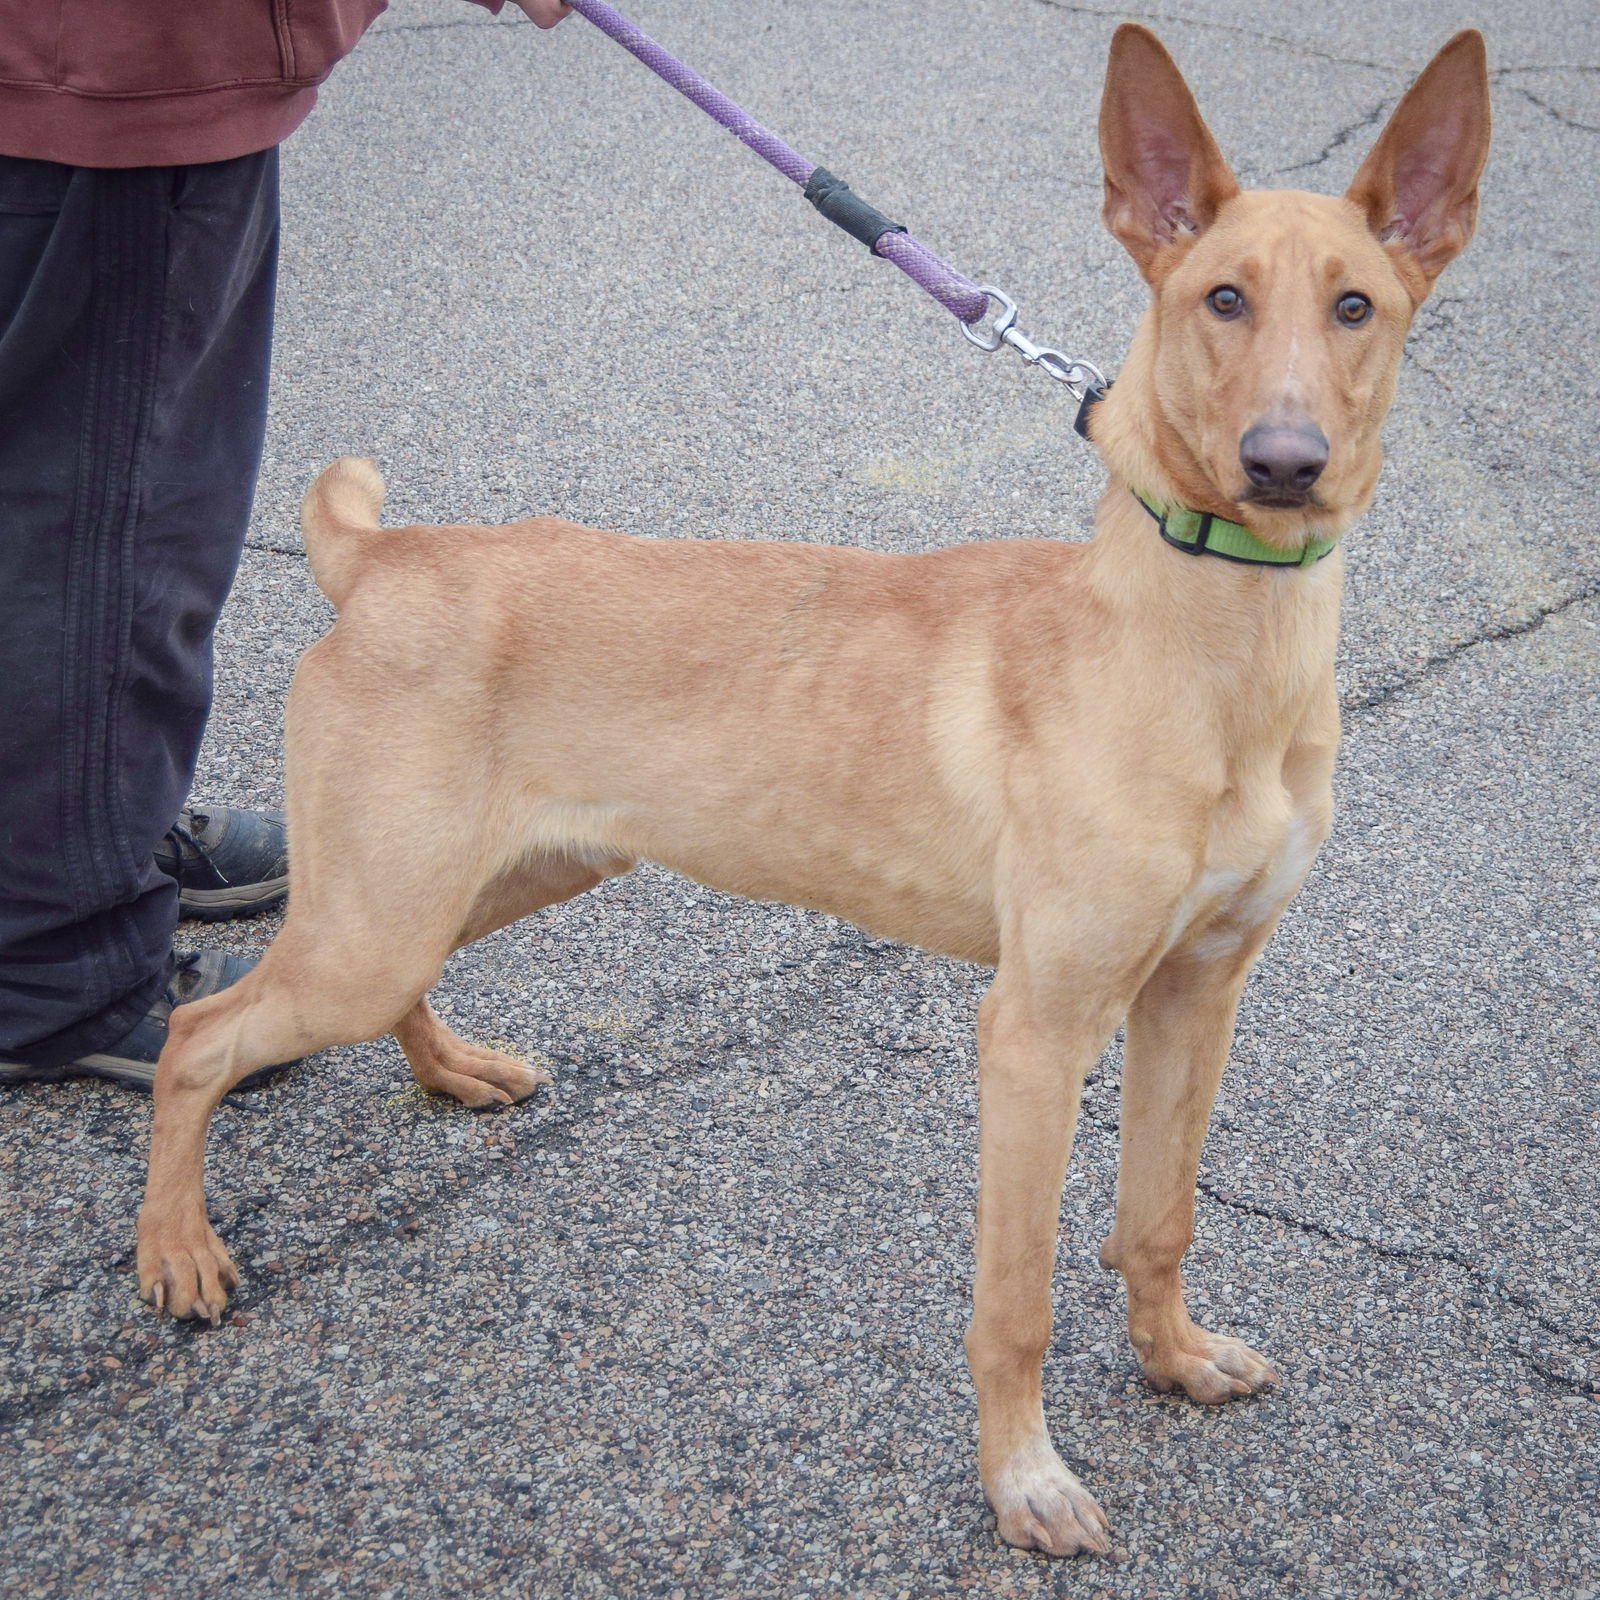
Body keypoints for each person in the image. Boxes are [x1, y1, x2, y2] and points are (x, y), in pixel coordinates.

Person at [0, 0, 571, 1090]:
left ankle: (77, 837)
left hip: (81, 68)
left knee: (63, 485)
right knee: (101, 530)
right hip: (119, 75)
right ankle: (54, 969)